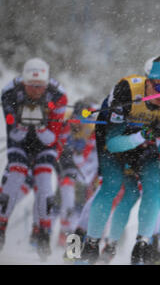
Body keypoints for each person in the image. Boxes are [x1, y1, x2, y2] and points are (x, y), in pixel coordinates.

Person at [80, 55, 160, 264]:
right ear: (147, 81)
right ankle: (89, 244)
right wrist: (143, 134)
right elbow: (113, 144)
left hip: (144, 146)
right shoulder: (127, 90)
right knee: (111, 185)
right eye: (159, 88)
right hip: (114, 138)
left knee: (150, 188)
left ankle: (141, 244)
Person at [0, 58, 67, 259]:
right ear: (23, 83)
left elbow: (51, 138)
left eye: (40, 87)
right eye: (31, 86)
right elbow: (14, 135)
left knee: (45, 182)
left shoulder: (59, 95)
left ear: (47, 84)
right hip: (19, 142)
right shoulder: (10, 93)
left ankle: (43, 231)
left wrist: (39, 125)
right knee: (15, 176)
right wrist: (21, 123)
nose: (36, 91)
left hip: (45, 144)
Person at [55, 99, 99, 247]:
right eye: (76, 120)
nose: (77, 124)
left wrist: (79, 152)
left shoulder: (91, 129)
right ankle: (56, 231)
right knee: (61, 201)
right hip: (67, 170)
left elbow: (83, 158)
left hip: (84, 175)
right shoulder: (66, 123)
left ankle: (71, 238)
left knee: (79, 208)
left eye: (81, 121)